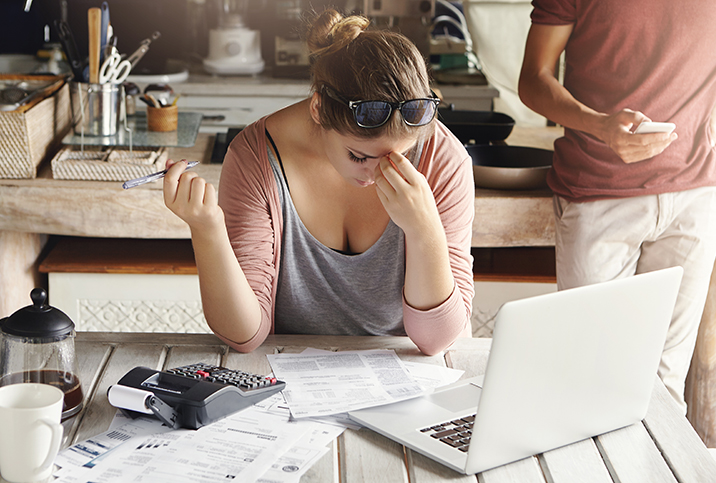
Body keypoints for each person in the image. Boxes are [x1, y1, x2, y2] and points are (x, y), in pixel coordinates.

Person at [162, 9, 475, 355]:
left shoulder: (444, 159)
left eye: (400, 156)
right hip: (290, 381)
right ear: (318, 109)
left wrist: (424, 229)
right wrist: (208, 231)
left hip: (410, 379)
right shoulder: (255, 158)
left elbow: (437, 341)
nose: (377, 175)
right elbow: (245, 336)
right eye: (359, 156)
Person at [518, 0, 716, 413]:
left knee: (664, 386)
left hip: (696, 195)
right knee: (588, 384)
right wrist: (599, 125)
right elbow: (534, 79)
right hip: (597, 193)